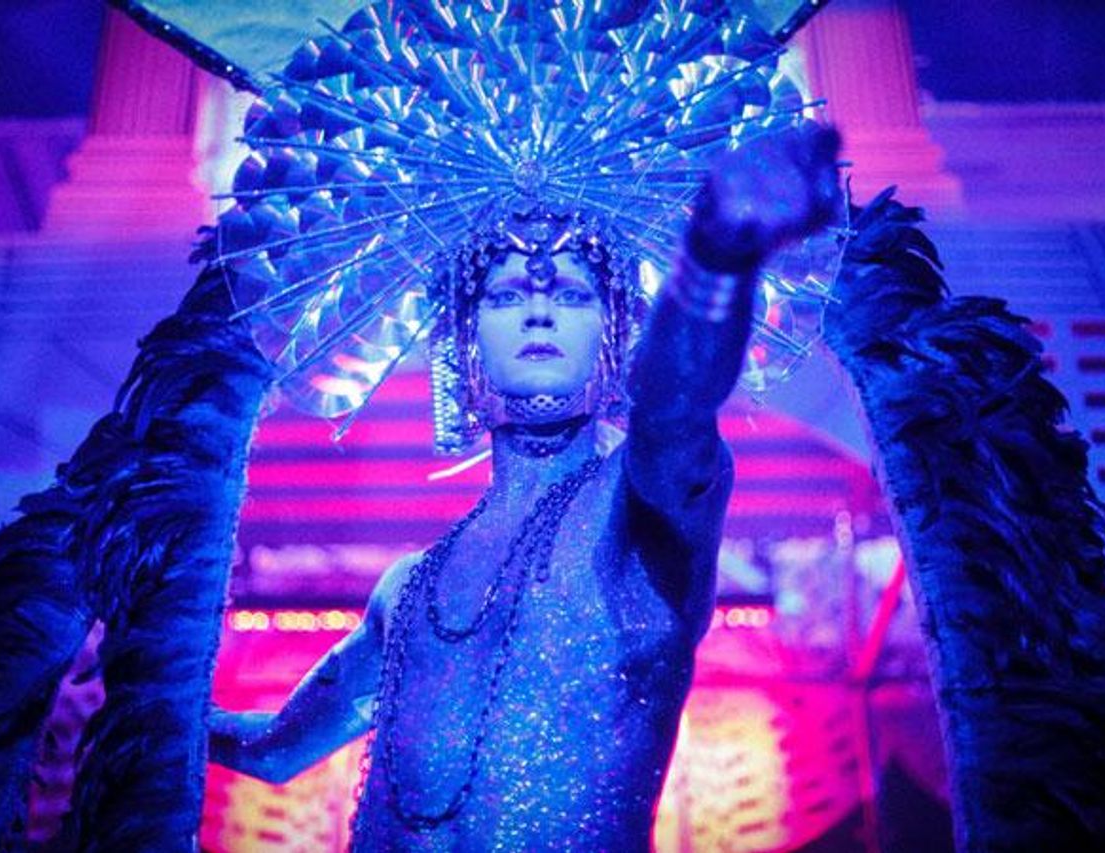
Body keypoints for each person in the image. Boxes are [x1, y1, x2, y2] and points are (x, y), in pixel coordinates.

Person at [207, 126, 841, 850]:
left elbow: (674, 404)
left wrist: (716, 258)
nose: (540, 310)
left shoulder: (639, 515)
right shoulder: (406, 590)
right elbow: (275, 749)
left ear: (617, 335)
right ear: (462, 342)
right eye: (505, 294)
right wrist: (150, 707)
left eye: (571, 292)